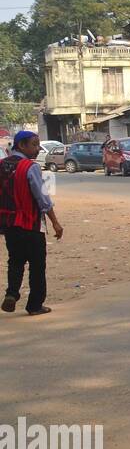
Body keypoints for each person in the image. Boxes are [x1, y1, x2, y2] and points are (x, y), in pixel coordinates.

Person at [1, 132, 64, 316]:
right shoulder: (31, 167)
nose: (37, 149)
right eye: (34, 145)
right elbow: (43, 199)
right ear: (22, 145)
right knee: (37, 265)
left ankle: (12, 293)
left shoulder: (2, 165)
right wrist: (55, 223)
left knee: (15, 261)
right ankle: (35, 305)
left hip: (9, 225)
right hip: (30, 224)